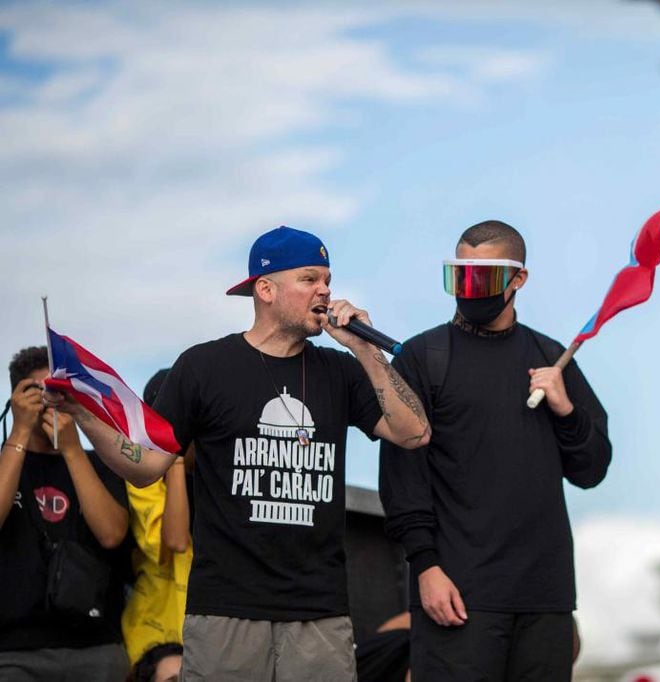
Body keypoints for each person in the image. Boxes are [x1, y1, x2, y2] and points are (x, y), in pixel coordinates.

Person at [44, 225, 431, 681]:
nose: (325, 290)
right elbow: (146, 465)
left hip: (319, 611)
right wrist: (84, 416)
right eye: (309, 279)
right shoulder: (205, 367)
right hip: (225, 611)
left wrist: (367, 351)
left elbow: (414, 432)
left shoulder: (340, 370)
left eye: (327, 279)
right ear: (265, 289)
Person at [379, 220, 611, 681]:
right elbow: (402, 478)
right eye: (458, 277)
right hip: (458, 596)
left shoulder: (552, 357)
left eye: (482, 278)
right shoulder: (423, 358)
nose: (469, 290)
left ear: (518, 279)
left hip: (545, 599)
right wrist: (425, 566)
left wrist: (566, 411)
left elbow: (592, 469)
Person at [0, 346, 131, 681]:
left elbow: (112, 534)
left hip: (94, 643)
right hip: (14, 650)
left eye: (59, 392)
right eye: (37, 391)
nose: (49, 401)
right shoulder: (5, 463)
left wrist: (72, 448)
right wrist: (18, 432)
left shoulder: (100, 463)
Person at [121, 369, 194, 666]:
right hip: (157, 640)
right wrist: (173, 455)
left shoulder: (222, 474)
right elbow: (175, 541)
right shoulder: (143, 479)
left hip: (213, 634)